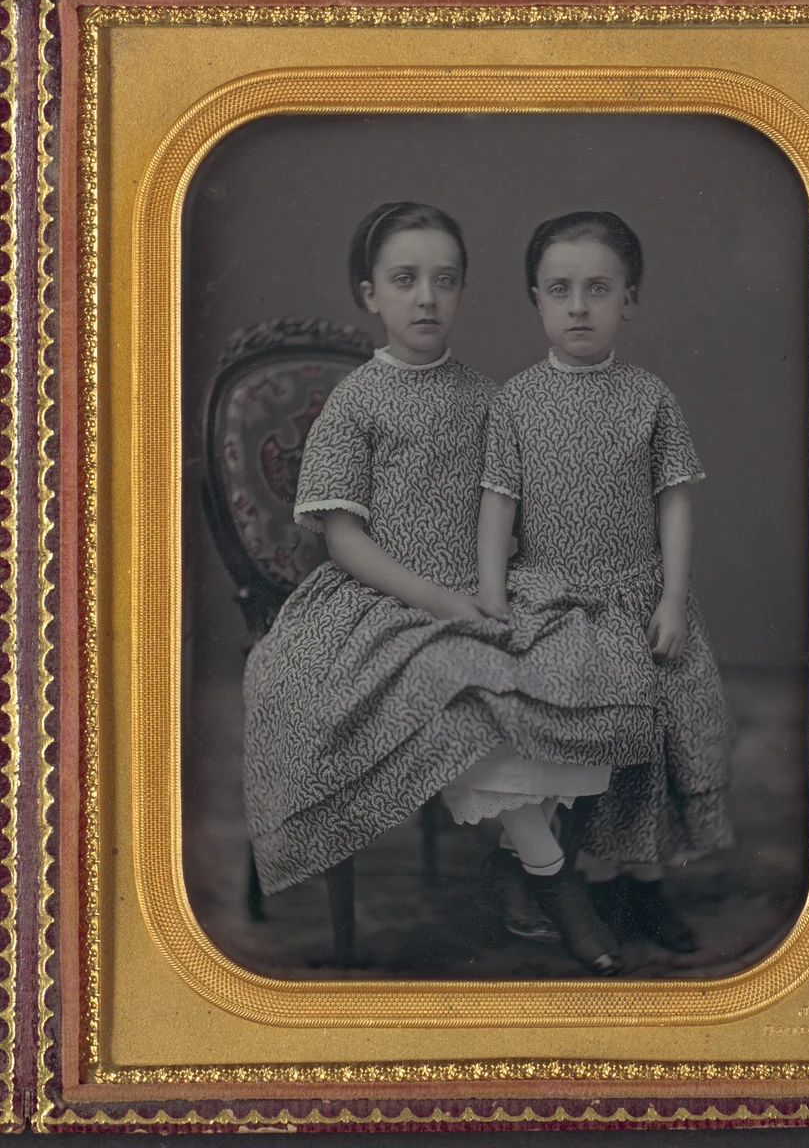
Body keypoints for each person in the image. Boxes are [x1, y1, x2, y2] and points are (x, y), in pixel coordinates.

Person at [243, 202, 661, 975]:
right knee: (454, 680)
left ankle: (515, 857)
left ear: (464, 289)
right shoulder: (358, 402)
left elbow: (516, 503)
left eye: (445, 280)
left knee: (583, 657)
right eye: (405, 281)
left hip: (488, 581)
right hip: (384, 597)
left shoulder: (487, 395)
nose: (426, 298)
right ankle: (555, 881)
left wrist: (502, 590)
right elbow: (342, 538)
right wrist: (437, 602)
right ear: (371, 294)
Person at [477, 210, 733, 956]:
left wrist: (673, 598)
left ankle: (644, 890)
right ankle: (564, 877)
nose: (579, 306)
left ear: (629, 300)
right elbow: (498, 502)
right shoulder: (515, 401)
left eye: (598, 289)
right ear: (537, 300)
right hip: (552, 603)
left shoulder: (650, 397)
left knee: (659, 732)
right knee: (576, 740)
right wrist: (494, 596)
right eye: (561, 290)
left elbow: (674, 499)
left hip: (636, 596)